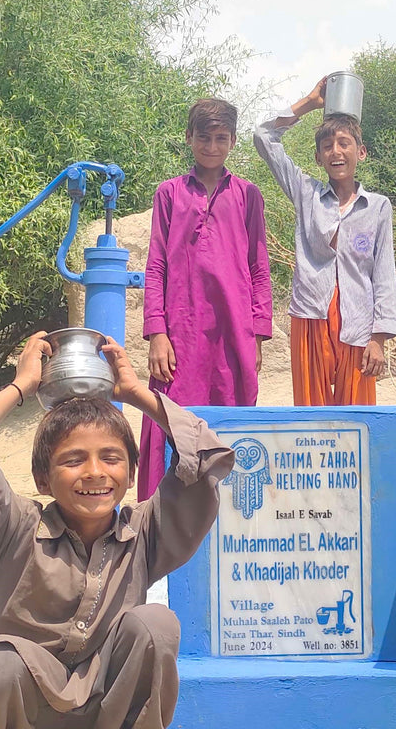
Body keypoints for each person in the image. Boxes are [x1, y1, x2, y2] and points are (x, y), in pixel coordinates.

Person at [0, 331, 235, 728]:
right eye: (74, 460)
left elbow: (209, 457)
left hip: (105, 710)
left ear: (131, 474)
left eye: (111, 458)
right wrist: (21, 387)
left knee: (156, 624)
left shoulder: (146, 534)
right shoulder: (13, 527)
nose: (95, 472)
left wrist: (135, 393)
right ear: (43, 479)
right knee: (0, 664)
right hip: (18, 707)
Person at [139, 97, 271, 499]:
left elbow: (259, 268)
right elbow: (157, 264)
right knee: (172, 419)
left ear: (232, 141)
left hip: (233, 331)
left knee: (232, 418)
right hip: (181, 331)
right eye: (203, 137)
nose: (211, 147)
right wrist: (157, 333)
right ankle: (161, 529)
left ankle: (228, 520)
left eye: (220, 138)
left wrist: (258, 334)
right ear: (188, 138)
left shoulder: (249, 196)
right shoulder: (170, 194)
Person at [253, 76, 396, 407]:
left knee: (357, 418)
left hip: (358, 321)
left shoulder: (377, 207)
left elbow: (384, 275)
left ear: (360, 152)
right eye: (328, 146)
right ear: (318, 157)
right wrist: (309, 102)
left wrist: (379, 338)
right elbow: (264, 136)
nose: (336, 152)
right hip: (310, 316)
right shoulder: (307, 194)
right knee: (311, 416)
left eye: (345, 143)